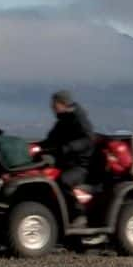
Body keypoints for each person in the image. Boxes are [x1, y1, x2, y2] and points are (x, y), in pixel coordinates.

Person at [39, 90, 95, 224]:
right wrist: (40, 148)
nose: (52, 108)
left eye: (54, 105)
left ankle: (78, 214)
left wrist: (69, 147)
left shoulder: (79, 118)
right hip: (65, 162)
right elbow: (51, 138)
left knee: (62, 181)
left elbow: (88, 139)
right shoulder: (62, 120)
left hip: (81, 166)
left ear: (62, 104)